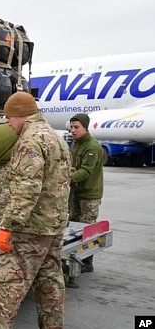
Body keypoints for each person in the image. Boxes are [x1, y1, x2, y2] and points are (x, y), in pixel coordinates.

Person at [0, 92, 71, 329]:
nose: (9, 124)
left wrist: (7, 225)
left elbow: (27, 188)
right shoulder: (57, 138)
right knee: (50, 280)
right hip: (53, 225)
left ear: (19, 115)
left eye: (9, 118)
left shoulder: (30, 140)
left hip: (30, 228)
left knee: (9, 282)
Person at [68, 113, 104, 274]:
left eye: (76, 127)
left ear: (85, 127)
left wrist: (65, 178)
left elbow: (86, 172)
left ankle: (87, 262)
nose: (73, 131)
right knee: (74, 228)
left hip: (89, 195)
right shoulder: (77, 143)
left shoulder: (91, 146)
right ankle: (75, 259)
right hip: (76, 193)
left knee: (87, 229)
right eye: (71, 127)